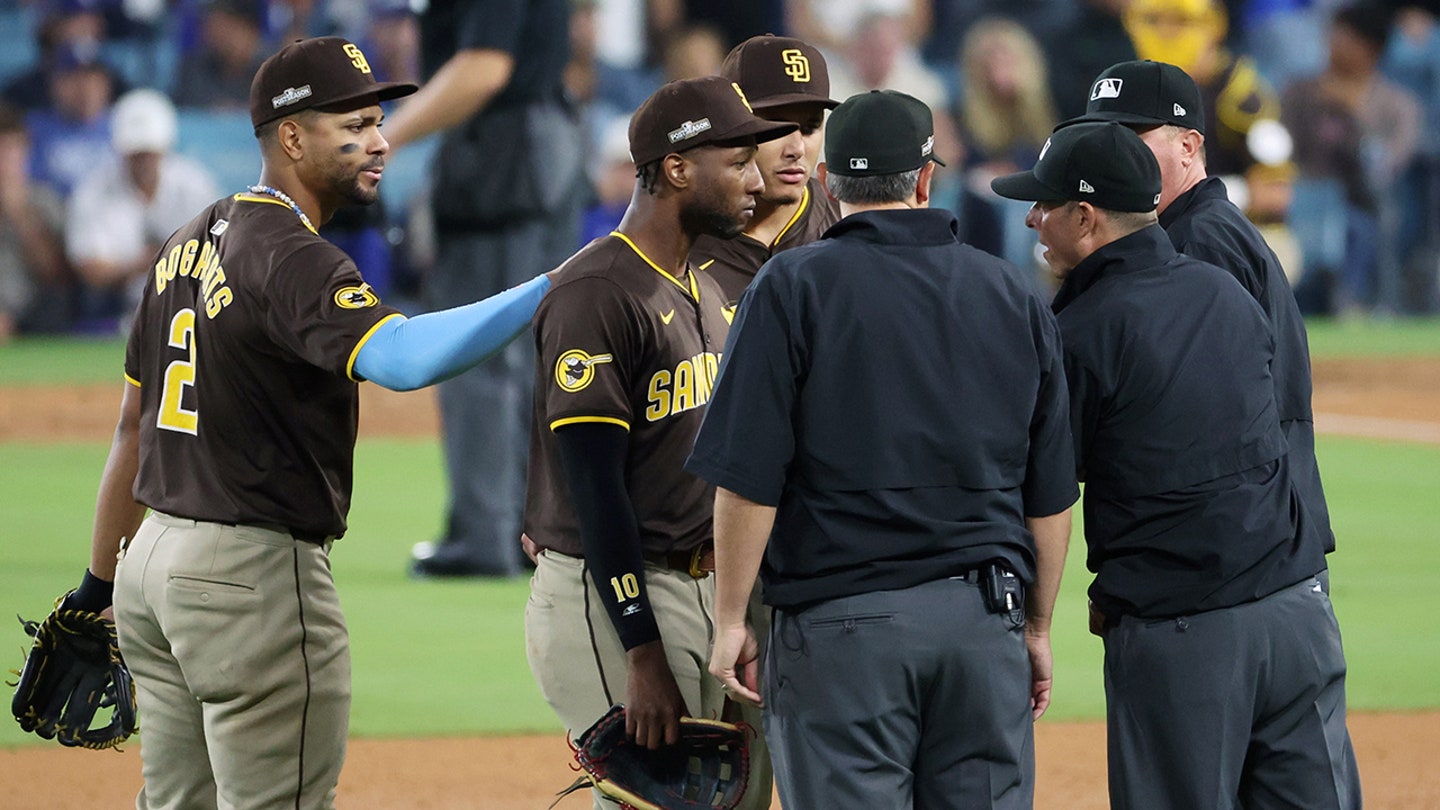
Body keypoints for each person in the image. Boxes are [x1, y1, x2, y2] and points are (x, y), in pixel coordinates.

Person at [70, 36, 559, 807]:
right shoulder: (292, 256)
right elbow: (401, 360)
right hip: (248, 581)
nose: (380, 141)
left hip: (152, 572)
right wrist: (547, 290)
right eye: (355, 125)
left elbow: (133, 428)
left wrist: (97, 586)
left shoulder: (184, 242)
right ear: (291, 137)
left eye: (377, 121)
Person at [690, 89, 1078, 809]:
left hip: (844, 631)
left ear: (829, 184)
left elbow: (748, 480)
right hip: (981, 626)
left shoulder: (791, 286)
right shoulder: (1010, 292)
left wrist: (734, 619)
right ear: (927, 179)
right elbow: (1051, 494)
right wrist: (1036, 627)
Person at [991, 119, 1361, 808]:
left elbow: (1039, 491)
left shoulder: (1079, 333)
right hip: (1298, 612)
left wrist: (1035, 625)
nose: (1033, 219)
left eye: (1043, 204)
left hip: (1186, 635)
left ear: (1086, 215)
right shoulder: (1225, 293)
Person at [522, 75, 794, 810]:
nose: (754, 177)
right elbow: (594, 486)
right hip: (619, 590)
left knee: (733, 799)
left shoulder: (698, 282)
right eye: (736, 162)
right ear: (676, 168)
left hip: (705, 586)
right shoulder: (597, 292)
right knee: (667, 801)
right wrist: (639, 650)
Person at [1063, 59, 1337, 558]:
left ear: (1189, 146)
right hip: (1253, 541)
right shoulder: (1194, 229)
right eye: (1105, 138)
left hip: (1238, 547)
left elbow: (1202, 422)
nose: (1115, 154)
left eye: (1133, 137)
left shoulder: (1197, 241)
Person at [381, 0, 584, 578]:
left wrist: (387, 137)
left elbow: (484, 68)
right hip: (542, 141)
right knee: (535, 351)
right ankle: (536, 534)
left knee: (478, 349)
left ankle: (486, 536)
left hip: (505, 150)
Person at [691, 34, 841, 302]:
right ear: (730, 122)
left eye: (810, 127)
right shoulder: (683, 236)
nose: (796, 149)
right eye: (776, 127)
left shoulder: (847, 224)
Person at [66, 88, 218, 324]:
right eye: (137, 154)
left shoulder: (193, 185)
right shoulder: (94, 190)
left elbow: (220, 252)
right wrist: (148, 262)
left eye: (150, 153)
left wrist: (166, 261)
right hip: (114, 305)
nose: (144, 161)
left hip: (189, 300)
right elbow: (90, 269)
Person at [0, 101, 71, 338]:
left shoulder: (45, 200)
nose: (3, 161)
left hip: (33, 315)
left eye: (10, 150)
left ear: (25, 153)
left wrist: (20, 214)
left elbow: (56, 275)